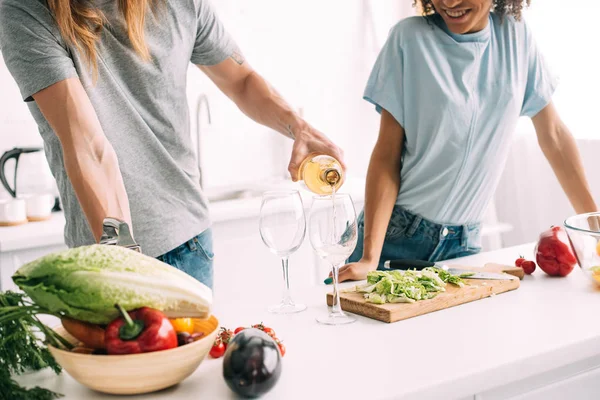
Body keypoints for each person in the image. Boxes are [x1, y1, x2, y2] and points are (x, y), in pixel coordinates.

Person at [0, 0, 344, 289]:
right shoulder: (26, 10)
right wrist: (124, 264)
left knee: (191, 370)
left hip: (190, 244)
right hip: (105, 259)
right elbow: (88, 145)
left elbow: (241, 80)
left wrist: (297, 126)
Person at [336, 0, 597, 282]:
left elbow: (554, 136)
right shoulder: (409, 39)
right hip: (395, 238)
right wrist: (369, 257)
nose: (448, 3)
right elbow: (387, 155)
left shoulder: (516, 37)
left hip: (464, 244)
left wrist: (595, 228)